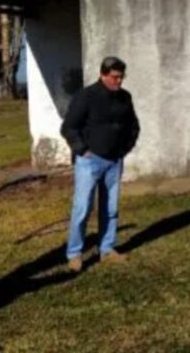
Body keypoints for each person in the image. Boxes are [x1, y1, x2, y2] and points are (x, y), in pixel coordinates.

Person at [61, 56, 140, 272]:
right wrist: (82, 150)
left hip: (114, 161)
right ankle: (75, 254)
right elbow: (69, 127)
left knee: (110, 208)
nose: (119, 81)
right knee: (82, 208)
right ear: (103, 74)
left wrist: (125, 149)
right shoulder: (86, 96)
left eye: (121, 77)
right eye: (115, 77)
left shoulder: (125, 97)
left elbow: (133, 127)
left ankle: (106, 249)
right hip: (89, 161)